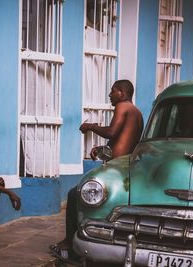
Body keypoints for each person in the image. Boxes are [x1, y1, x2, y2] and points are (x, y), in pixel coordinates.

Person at [50, 80, 143, 263]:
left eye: (113, 91)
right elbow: (121, 139)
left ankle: (70, 243)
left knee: (74, 195)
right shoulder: (137, 113)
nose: (109, 95)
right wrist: (103, 149)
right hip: (124, 166)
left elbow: (112, 131)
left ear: (122, 93)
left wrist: (90, 126)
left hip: (115, 169)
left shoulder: (123, 106)